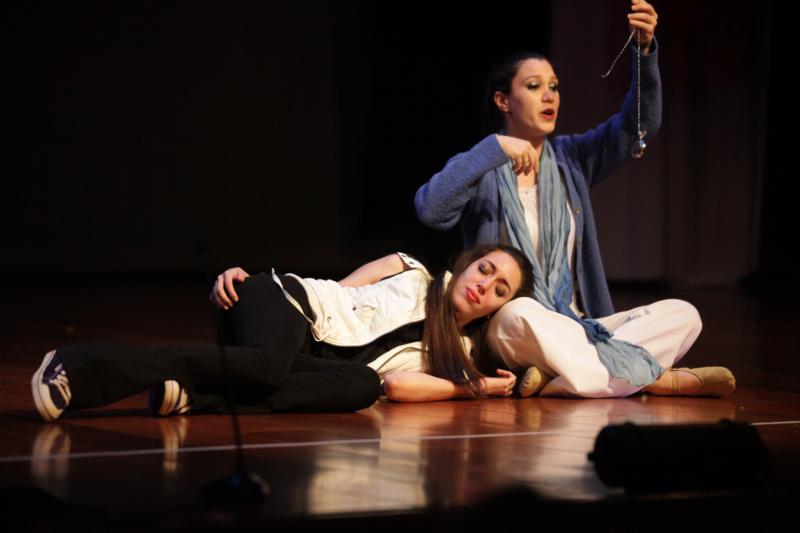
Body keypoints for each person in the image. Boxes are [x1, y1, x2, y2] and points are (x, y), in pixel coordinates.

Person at [413, 0, 735, 398]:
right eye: (534, 87)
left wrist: (643, 52)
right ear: (503, 101)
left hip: (577, 323)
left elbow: (639, 126)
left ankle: (558, 378)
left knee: (685, 314)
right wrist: (494, 149)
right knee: (519, 313)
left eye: (554, 87)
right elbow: (431, 209)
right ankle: (651, 378)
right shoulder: (484, 167)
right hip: (513, 328)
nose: (549, 96)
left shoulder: (571, 158)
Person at [31, 244, 534, 422]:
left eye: (500, 288)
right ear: (467, 264)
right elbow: (331, 292)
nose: (484, 285)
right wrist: (250, 285)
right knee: (268, 364)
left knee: (362, 385)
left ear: (501, 306)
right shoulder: (412, 271)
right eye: (485, 269)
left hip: (301, 365)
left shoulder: (457, 353)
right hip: (285, 305)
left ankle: (196, 393)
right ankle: (75, 366)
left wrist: (475, 385)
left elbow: (396, 386)